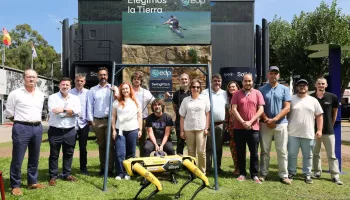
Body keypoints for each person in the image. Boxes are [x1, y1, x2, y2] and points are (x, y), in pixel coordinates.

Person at [4, 69, 46, 196]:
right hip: (21, 127)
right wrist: (20, 122)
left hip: (38, 128)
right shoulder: (15, 94)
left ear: (37, 79)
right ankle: (15, 185)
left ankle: (32, 181)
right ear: (24, 78)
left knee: (34, 157)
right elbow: (9, 113)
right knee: (18, 157)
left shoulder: (41, 94)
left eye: (33, 77)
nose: (31, 79)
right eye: (29, 77)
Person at [258, 66, 292, 185]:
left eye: (275, 74)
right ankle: (263, 173)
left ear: (279, 75)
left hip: (281, 124)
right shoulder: (261, 89)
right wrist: (267, 119)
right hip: (265, 124)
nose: (273, 75)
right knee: (265, 150)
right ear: (268, 75)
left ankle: (284, 175)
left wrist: (275, 119)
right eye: (271, 73)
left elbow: (287, 107)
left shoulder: (284, 89)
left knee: (282, 150)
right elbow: (259, 107)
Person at [287, 79, 323, 184]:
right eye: (300, 85)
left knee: (308, 155)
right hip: (292, 133)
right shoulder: (291, 99)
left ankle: (307, 174)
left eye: (304, 85)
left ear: (307, 87)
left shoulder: (313, 100)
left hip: (308, 133)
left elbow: (319, 116)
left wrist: (320, 130)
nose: (302, 87)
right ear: (296, 87)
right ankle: (291, 172)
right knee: (292, 154)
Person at [231, 73, 265, 184]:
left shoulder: (258, 93)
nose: (247, 83)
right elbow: (234, 109)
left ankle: (254, 174)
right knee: (240, 152)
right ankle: (242, 173)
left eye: (249, 81)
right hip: (239, 128)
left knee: (254, 153)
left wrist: (250, 122)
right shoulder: (236, 94)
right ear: (242, 82)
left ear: (252, 82)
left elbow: (261, 109)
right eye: (245, 81)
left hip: (254, 128)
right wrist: (243, 122)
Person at [47, 77, 81, 186]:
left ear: (70, 86)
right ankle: (53, 176)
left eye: (67, 85)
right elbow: (56, 112)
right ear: (59, 86)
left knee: (69, 153)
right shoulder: (52, 97)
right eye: (63, 85)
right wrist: (70, 112)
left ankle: (67, 174)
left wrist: (64, 110)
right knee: (54, 154)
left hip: (70, 130)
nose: (65, 86)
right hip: (55, 130)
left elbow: (78, 111)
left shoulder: (75, 98)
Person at [311, 78, 343, 185]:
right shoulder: (311, 97)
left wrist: (331, 124)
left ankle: (335, 175)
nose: (321, 85)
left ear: (326, 85)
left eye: (323, 84)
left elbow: (335, 112)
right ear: (315, 85)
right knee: (315, 153)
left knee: (331, 155)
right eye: (319, 83)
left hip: (329, 131)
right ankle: (317, 172)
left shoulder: (332, 97)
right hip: (314, 131)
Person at [87, 67, 115, 176]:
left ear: (107, 76)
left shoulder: (113, 88)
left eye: (105, 75)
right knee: (101, 145)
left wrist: (115, 92)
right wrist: (91, 120)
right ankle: (103, 168)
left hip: (109, 120)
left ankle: (110, 169)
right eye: (101, 75)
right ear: (98, 76)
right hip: (97, 121)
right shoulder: (93, 90)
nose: (103, 77)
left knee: (110, 146)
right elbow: (90, 105)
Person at [112, 82, 142, 180]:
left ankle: (128, 172)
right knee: (120, 152)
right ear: (121, 91)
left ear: (130, 90)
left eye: (127, 88)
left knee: (131, 152)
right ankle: (120, 173)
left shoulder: (136, 102)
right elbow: (113, 117)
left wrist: (140, 129)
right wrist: (113, 130)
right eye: (123, 89)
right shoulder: (116, 103)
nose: (125, 90)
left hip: (132, 129)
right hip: (120, 129)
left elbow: (139, 117)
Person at [179, 79, 210, 174]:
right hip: (189, 129)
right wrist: (182, 131)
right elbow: (182, 116)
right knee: (191, 152)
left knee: (201, 152)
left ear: (200, 89)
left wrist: (206, 128)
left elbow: (208, 114)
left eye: (197, 87)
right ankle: (192, 171)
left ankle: (202, 172)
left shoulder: (204, 99)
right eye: (193, 87)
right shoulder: (185, 100)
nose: (195, 89)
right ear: (190, 88)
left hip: (201, 128)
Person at [202, 74, 228, 175]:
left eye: (219, 81)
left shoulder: (224, 93)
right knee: (208, 147)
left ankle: (217, 168)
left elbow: (227, 108)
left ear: (221, 82)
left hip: (221, 124)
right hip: (208, 124)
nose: (217, 83)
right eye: (215, 81)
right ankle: (207, 169)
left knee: (218, 147)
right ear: (211, 82)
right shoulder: (205, 93)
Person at [130, 71, 155, 157]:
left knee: (143, 144)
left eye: (138, 79)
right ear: (132, 80)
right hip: (130, 120)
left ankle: (142, 161)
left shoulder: (146, 92)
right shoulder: (128, 91)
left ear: (141, 81)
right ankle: (131, 160)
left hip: (143, 120)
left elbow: (155, 102)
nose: (136, 81)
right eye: (135, 79)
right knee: (130, 142)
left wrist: (164, 98)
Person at [70, 73, 90, 175]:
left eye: (81, 81)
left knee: (83, 147)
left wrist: (89, 119)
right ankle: (67, 169)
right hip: (72, 124)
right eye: (78, 80)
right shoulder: (70, 92)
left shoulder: (88, 93)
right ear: (74, 81)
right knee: (70, 147)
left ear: (84, 82)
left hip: (83, 124)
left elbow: (90, 107)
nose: (79, 83)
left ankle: (83, 168)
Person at [172, 73, 190, 155]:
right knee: (180, 143)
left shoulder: (192, 92)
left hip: (191, 121)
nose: (184, 81)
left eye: (186, 79)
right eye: (182, 79)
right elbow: (174, 107)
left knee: (191, 143)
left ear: (188, 80)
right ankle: (179, 160)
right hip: (179, 121)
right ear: (179, 81)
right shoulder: (176, 94)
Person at [225, 81, 240, 175]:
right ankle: (236, 168)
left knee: (240, 148)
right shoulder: (228, 100)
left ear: (237, 87)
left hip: (240, 127)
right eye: (230, 87)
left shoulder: (241, 97)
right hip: (231, 128)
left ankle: (242, 168)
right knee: (233, 148)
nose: (232, 88)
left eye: (233, 87)